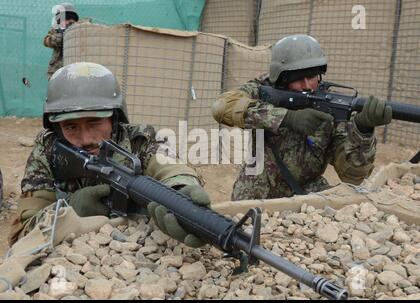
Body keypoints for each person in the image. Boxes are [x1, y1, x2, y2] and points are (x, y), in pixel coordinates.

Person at [9, 62, 209, 248]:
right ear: (57, 128)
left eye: (95, 123)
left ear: (115, 118)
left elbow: (171, 169)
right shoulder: (48, 150)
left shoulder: (140, 140)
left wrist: (182, 192)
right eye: (71, 127)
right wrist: (68, 210)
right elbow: (21, 234)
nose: (86, 138)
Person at [212, 34, 392, 200]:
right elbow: (221, 106)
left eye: (312, 76)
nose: (307, 85)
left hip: (307, 191)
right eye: (298, 78)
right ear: (281, 78)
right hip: (257, 188)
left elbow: (352, 175)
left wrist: (363, 130)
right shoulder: (263, 88)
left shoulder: (332, 107)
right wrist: (287, 118)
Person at [44, 3, 79, 80]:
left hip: (73, 70)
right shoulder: (57, 31)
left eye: (70, 20)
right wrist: (60, 34)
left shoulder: (78, 30)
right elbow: (47, 41)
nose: (67, 22)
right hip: (57, 70)